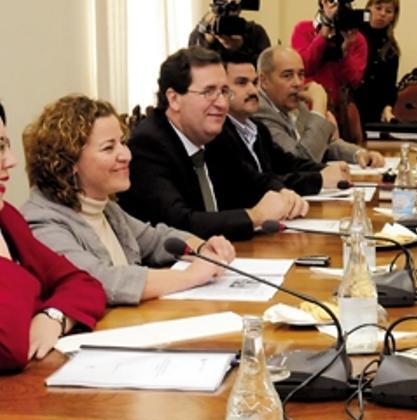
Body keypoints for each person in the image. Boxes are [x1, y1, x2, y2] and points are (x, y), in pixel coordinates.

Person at [20, 95, 236, 306]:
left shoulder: (108, 210)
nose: (126, 155)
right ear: (69, 161)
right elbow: (99, 281)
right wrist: (192, 276)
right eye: (108, 148)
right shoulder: (41, 221)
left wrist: (204, 248)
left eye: (122, 142)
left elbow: (158, 240)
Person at [118, 47, 309, 242]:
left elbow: (252, 180)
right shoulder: (148, 145)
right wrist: (255, 217)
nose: (222, 104)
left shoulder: (214, 135)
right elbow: (178, 222)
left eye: (224, 91)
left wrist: (284, 193)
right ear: (174, 99)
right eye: (209, 92)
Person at [0, 101, 105, 371]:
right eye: (0, 147)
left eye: (7, 145)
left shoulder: (6, 218)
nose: (11, 161)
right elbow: (10, 345)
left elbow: (83, 283)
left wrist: (54, 315)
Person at [209, 50, 350, 197]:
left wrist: (324, 169)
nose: (252, 90)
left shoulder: (257, 128)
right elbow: (253, 183)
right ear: (222, 90)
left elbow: (288, 163)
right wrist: (319, 179)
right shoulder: (218, 133)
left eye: (254, 82)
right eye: (242, 83)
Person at [254, 45, 385, 167]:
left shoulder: (296, 104)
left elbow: (324, 144)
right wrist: (318, 107)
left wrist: (358, 154)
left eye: (301, 74)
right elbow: (301, 160)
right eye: (287, 75)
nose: (298, 83)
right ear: (264, 80)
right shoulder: (260, 111)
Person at [291, 0, 367, 109]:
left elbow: (354, 81)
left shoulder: (357, 39)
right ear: (323, 2)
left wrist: (345, 52)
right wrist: (323, 33)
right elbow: (305, 68)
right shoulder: (303, 29)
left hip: (339, 108)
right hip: (308, 106)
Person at [354, 0, 401, 125]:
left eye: (388, 11)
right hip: (349, 103)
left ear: (393, 17)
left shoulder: (391, 50)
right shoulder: (352, 35)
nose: (382, 14)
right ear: (369, 8)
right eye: (378, 8)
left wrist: (388, 108)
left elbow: (390, 87)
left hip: (372, 110)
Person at [188, 3, 271, 61]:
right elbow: (194, 69)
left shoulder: (254, 32)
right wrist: (207, 41)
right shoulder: (203, 32)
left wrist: (240, 49)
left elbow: (265, 69)